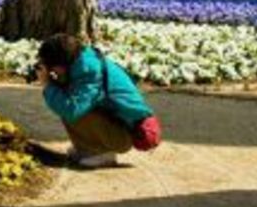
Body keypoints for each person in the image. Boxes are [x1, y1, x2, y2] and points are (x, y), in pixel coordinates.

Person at [32, 34, 162, 168]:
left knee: (72, 107)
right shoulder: (80, 62)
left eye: (51, 66)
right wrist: (56, 82)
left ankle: (103, 153)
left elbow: (72, 109)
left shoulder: (89, 71)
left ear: (62, 63)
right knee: (64, 100)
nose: (50, 69)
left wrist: (48, 85)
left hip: (124, 135)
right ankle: (86, 149)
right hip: (116, 125)